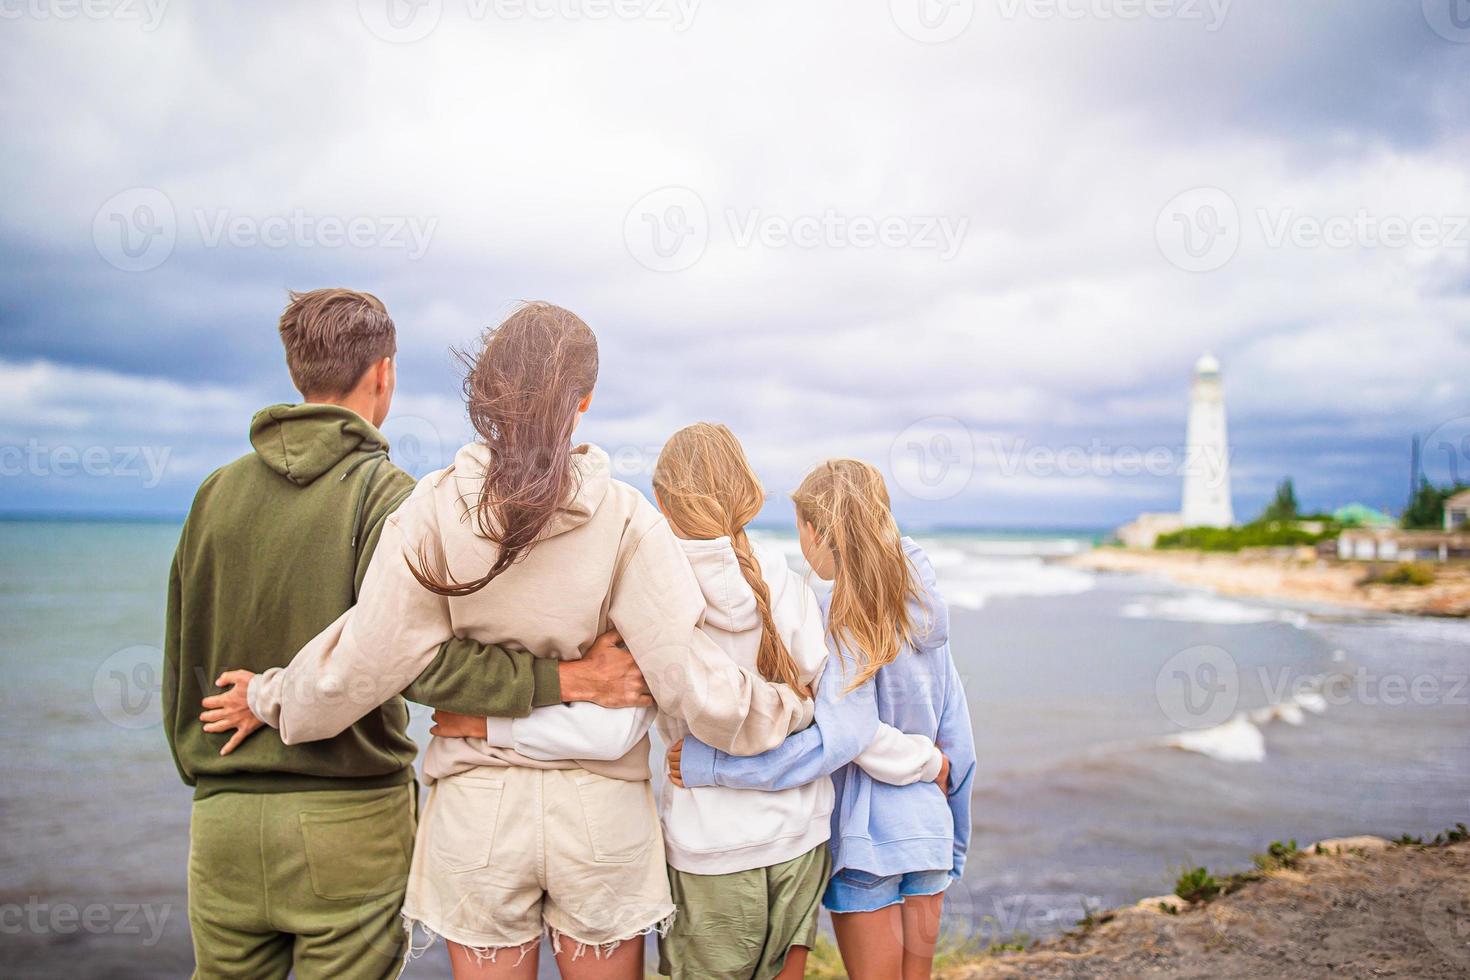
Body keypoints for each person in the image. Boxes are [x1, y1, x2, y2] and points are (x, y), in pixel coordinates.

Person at [207, 302, 813, 979]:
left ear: (488, 394)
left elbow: (362, 665)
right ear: (584, 401)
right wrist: (792, 708)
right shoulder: (624, 518)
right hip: (601, 820)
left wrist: (268, 696)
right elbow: (686, 684)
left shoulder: (431, 510)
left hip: (478, 817)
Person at [166, 289, 649, 980]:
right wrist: (567, 681)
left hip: (220, 819)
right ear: (384, 373)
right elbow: (416, 666)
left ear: (295, 367)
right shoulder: (388, 494)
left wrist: (211, 749)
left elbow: (180, 652)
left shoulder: (212, 493)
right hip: (348, 814)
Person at [455, 423, 949, 980]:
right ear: (747, 490)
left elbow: (614, 734)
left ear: (662, 503)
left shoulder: (652, 593)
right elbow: (831, 711)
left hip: (713, 853)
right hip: (803, 840)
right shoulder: (786, 580)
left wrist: (491, 728)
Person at [672, 459, 977, 980]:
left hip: (866, 839)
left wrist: (715, 766)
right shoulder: (925, 616)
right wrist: (953, 837)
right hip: (928, 826)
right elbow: (959, 748)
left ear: (813, 531)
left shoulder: (837, 620)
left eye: (800, 531)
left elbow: (836, 742)